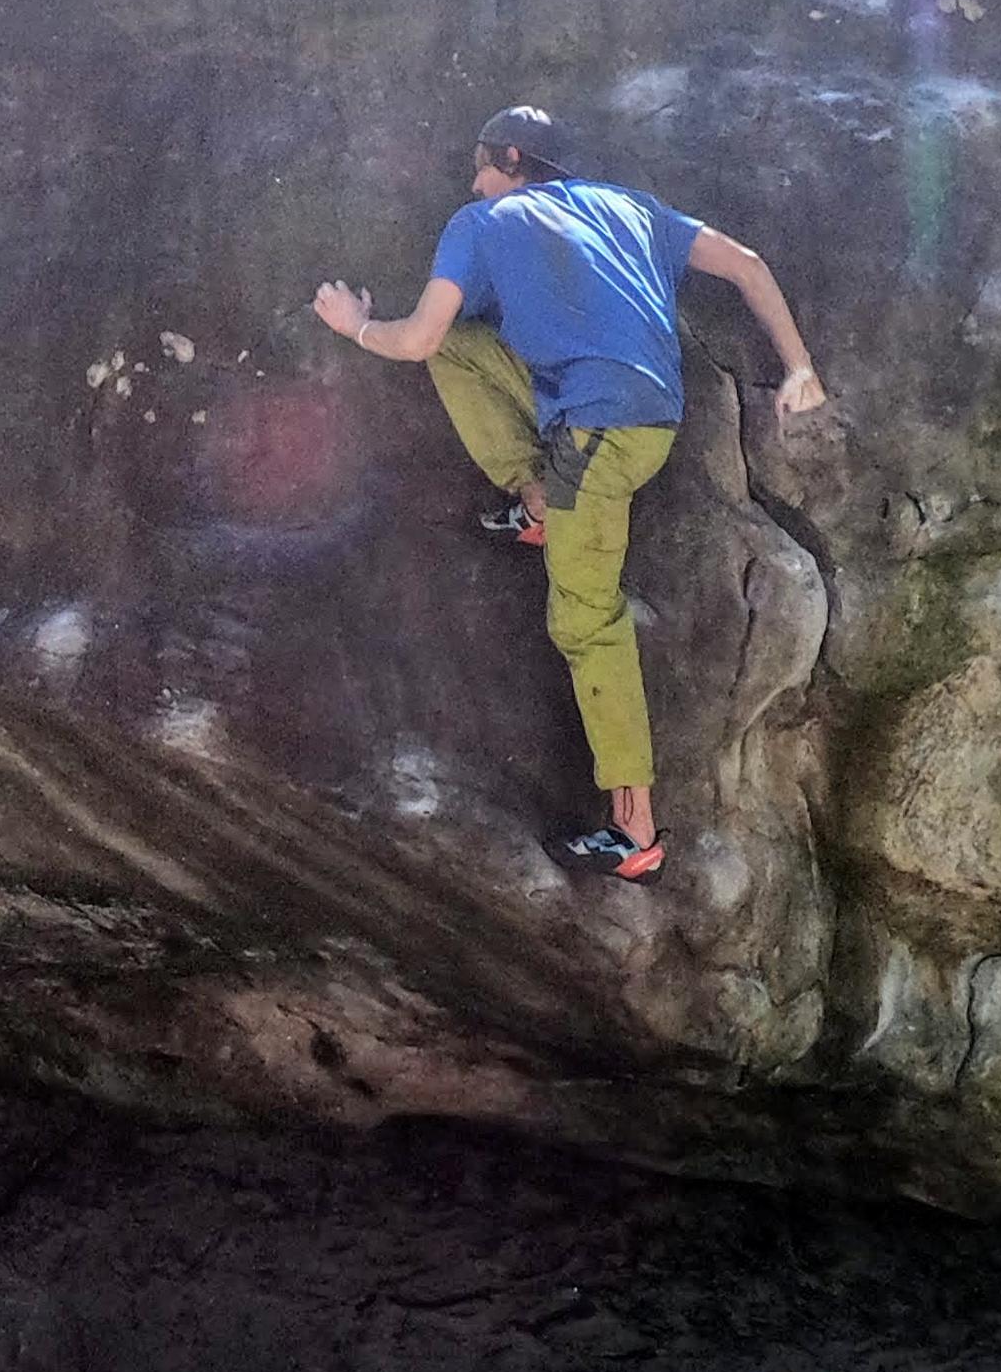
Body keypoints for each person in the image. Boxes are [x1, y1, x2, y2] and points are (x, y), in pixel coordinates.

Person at [312, 105, 827, 881]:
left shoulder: (483, 219)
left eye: (480, 162)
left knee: (585, 618)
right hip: (651, 417)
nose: (473, 178)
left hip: (596, 439)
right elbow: (748, 264)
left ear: (511, 157)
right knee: (464, 350)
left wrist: (355, 326)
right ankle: (535, 498)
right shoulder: (629, 207)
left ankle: (636, 831)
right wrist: (799, 366)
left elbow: (413, 337)